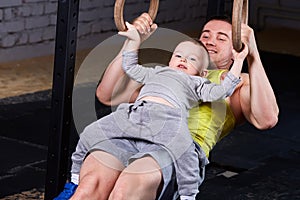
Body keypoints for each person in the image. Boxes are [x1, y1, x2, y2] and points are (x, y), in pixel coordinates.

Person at [55, 13, 279, 200]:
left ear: (237, 48)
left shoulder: (238, 82)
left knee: (124, 190)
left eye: (222, 38)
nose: (210, 40)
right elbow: (107, 94)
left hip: (175, 148)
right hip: (130, 134)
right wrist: (133, 41)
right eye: (205, 35)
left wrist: (252, 55)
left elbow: (266, 119)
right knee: (88, 188)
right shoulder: (168, 71)